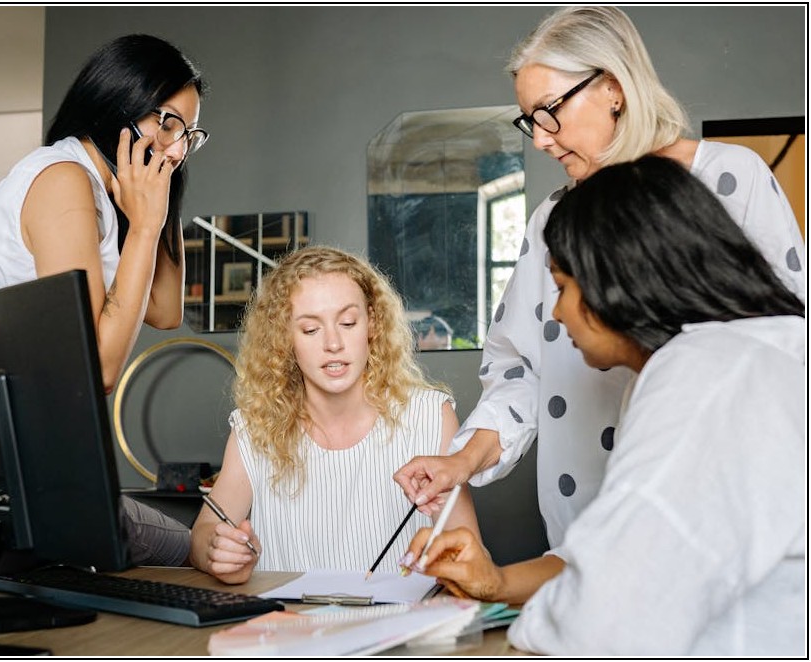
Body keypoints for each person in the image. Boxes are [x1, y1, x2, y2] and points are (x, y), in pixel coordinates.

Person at [394, 5, 805, 590]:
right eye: (527, 121)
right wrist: (461, 462)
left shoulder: (729, 179)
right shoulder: (550, 222)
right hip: (578, 539)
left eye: (549, 113)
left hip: (724, 532)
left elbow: (786, 352)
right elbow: (519, 371)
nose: (539, 139)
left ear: (612, 87)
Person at [401, 155, 806, 655]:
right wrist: (498, 582)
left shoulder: (703, 376)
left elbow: (605, 613)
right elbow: (624, 555)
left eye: (564, 287)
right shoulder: (738, 353)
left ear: (615, 279)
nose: (556, 311)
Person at [0, 34, 210, 567]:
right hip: (11, 502)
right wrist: (148, 220)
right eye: (167, 122)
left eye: (190, 134)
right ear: (119, 106)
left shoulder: (105, 191)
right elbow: (99, 371)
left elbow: (165, 310)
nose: (177, 148)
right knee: (202, 555)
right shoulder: (63, 181)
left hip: (42, 488)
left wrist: (160, 197)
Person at [189, 246, 479, 584]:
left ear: (372, 323)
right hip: (292, 629)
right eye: (311, 329)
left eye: (347, 322)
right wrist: (218, 550)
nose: (333, 343)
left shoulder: (431, 418)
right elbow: (201, 536)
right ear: (285, 337)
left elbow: (474, 555)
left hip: (399, 632)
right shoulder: (256, 429)